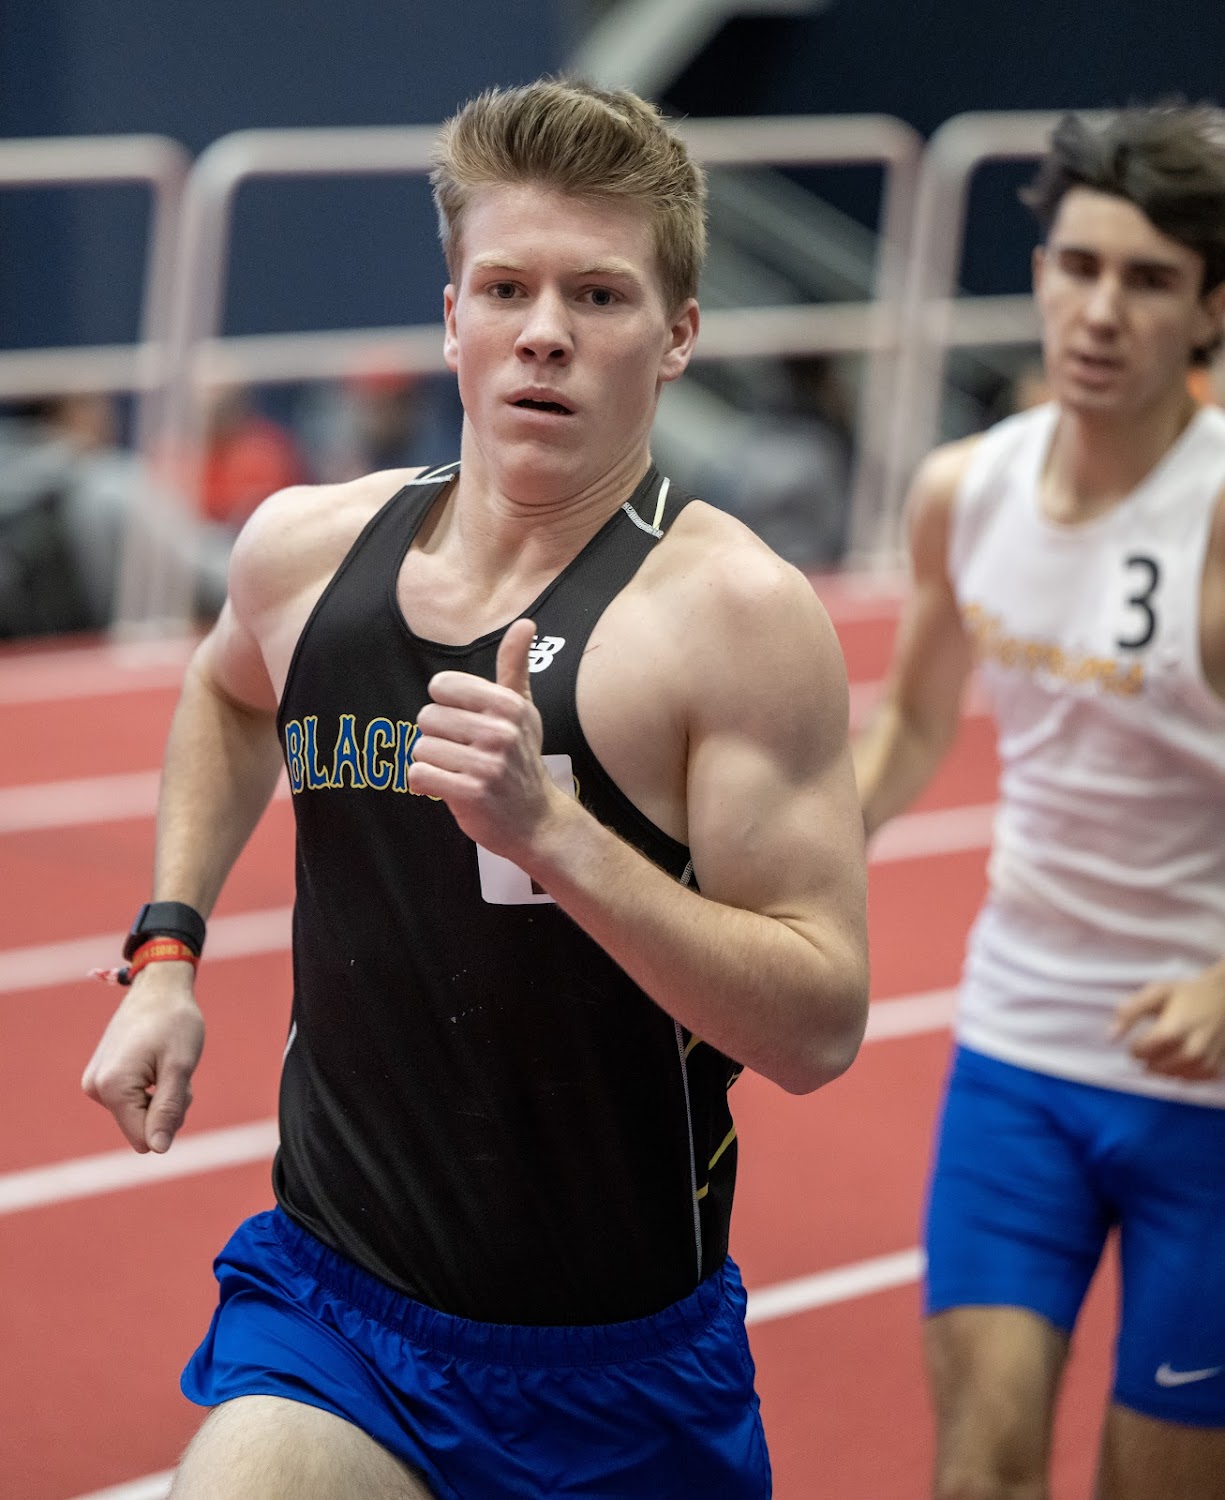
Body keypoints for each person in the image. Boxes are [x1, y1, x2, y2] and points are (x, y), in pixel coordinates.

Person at [82, 79, 869, 1500]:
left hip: (619, 1366)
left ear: (678, 336)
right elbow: (226, 691)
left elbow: (818, 1024)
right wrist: (165, 954)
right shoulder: (304, 551)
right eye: (506, 288)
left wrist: (557, 838)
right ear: (453, 318)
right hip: (339, 1306)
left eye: (599, 295)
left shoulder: (736, 619)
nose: (544, 332)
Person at [854, 104, 1225, 1500]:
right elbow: (907, 727)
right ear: (1037, 275)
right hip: (1016, 1050)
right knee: (980, 1474)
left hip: (1204, 1090)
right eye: (1078, 267)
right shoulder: (965, 490)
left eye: (1149, 280)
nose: (1101, 311)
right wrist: (770, 875)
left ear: (1211, 310)